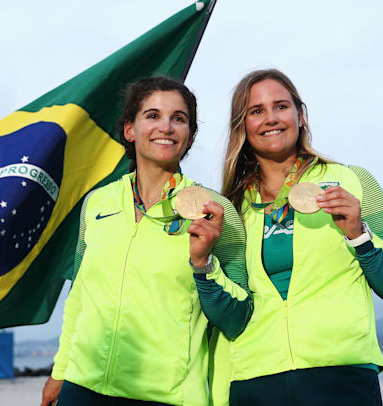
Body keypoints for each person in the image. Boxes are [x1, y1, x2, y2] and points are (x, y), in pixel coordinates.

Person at [40, 76, 253, 406]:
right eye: (152, 116)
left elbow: (238, 317)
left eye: (178, 119)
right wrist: (60, 372)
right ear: (129, 129)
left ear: (190, 136)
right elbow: (80, 295)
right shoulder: (97, 203)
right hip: (82, 389)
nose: (165, 127)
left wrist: (204, 264)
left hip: (166, 397)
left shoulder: (215, 210)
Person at [217, 69, 383, 406]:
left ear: (300, 114)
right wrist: (202, 262)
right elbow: (231, 314)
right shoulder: (232, 207)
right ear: (243, 126)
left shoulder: (354, 181)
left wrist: (358, 234)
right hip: (256, 379)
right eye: (256, 111)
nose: (270, 119)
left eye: (280, 106)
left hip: (341, 375)